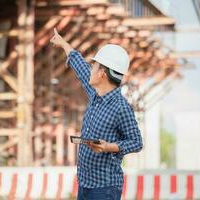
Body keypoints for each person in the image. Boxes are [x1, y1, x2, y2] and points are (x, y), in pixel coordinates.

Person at [50, 28, 143, 200]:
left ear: (102, 73)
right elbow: (79, 66)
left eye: (94, 66)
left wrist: (109, 147)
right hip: (85, 183)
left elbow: (137, 142)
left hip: (105, 188)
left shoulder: (121, 107)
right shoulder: (95, 94)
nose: (90, 68)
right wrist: (63, 43)